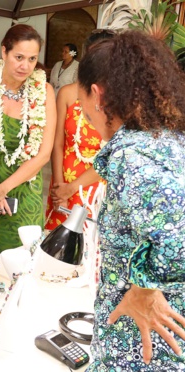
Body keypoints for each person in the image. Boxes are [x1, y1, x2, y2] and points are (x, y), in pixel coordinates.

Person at [78, 31, 185, 370]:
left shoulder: (132, 155)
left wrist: (143, 289)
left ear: (98, 95)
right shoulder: (167, 138)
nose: (85, 118)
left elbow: (178, 240)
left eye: (83, 106)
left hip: (141, 337)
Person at [0, 24, 56, 252]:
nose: (25, 66)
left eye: (32, 59)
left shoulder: (44, 91)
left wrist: (3, 189)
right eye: (19, 57)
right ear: (3, 52)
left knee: (22, 261)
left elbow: (44, 153)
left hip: (24, 190)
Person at [45, 30, 116, 230]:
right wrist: (60, 189)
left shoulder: (121, 101)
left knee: (91, 248)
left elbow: (112, 155)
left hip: (97, 187)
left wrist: (72, 189)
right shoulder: (68, 93)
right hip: (62, 184)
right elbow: (57, 143)